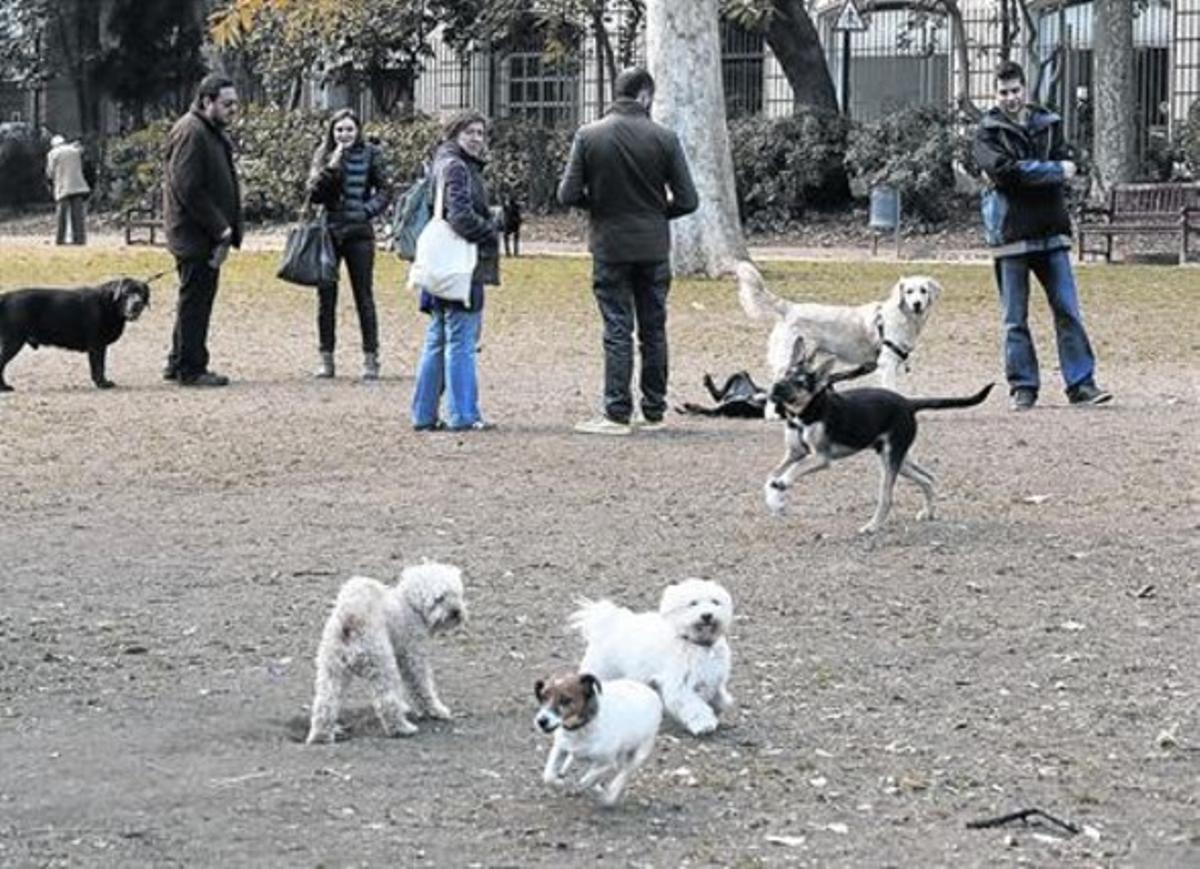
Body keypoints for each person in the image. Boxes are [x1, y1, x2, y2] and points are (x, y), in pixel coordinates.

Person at [558, 66, 698, 436]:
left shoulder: (589, 136)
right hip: (653, 245)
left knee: (617, 326)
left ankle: (616, 412)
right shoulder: (665, 138)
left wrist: (601, 206)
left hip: (610, 243)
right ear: (645, 95)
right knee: (654, 328)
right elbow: (688, 199)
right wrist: (656, 213)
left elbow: (567, 194)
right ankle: (654, 409)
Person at [973, 60, 1112, 411]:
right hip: (1010, 236)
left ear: (1025, 89)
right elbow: (1004, 173)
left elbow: (1071, 163)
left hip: (1052, 232)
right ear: (995, 94)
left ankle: (1082, 384)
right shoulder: (986, 133)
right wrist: (1052, 170)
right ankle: (1023, 387)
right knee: (1014, 319)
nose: (1011, 98)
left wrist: (1033, 172)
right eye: (1004, 92)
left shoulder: (1050, 124)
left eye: (1016, 90)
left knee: (1068, 310)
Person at [410, 111, 501, 432]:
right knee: (461, 339)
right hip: (461, 266)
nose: (477, 138)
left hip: (441, 265)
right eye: (470, 132)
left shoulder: (443, 162)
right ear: (454, 134)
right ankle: (463, 413)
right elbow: (460, 216)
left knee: (437, 338)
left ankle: (423, 413)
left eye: (481, 132)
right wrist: (490, 229)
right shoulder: (458, 167)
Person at [161, 74, 243, 388]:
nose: (233, 109)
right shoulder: (192, 131)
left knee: (193, 298)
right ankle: (191, 368)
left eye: (235, 103)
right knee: (196, 300)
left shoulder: (206, 130)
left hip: (201, 233)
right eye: (227, 104)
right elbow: (188, 188)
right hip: (195, 235)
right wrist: (220, 227)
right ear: (207, 101)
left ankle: (178, 360)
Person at [306, 109, 392, 381]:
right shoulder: (324, 154)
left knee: (363, 297)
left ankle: (370, 358)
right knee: (326, 298)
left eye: (349, 130)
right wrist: (331, 166)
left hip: (359, 234)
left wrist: (367, 210)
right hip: (329, 231)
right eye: (339, 130)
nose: (344, 135)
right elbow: (314, 194)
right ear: (332, 132)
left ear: (358, 131)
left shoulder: (371, 154)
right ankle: (326, 358)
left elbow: (386, 190)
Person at [45, 134, 90, 245]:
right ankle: (79, 239)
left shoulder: (53, 153)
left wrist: (51, 182)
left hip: (63, 187)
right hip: (78, 185)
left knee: (62, 216)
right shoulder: (75, 151)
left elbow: (50, 172)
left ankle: (60, 239)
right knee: (78, 216)